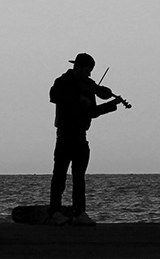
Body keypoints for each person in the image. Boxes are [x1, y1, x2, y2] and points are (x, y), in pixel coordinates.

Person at [48, 52, 122, 226]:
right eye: (87, 71)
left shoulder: (88, 87)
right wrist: (77, 99)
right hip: (65, 134)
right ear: (78, 68)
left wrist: (111, 105)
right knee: (59, 176)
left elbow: (92, 112)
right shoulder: (62, 82)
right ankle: (55, 212)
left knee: (79, 177)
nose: (89, 75)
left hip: (81, 135)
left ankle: (79, 213)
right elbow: (54, 96)